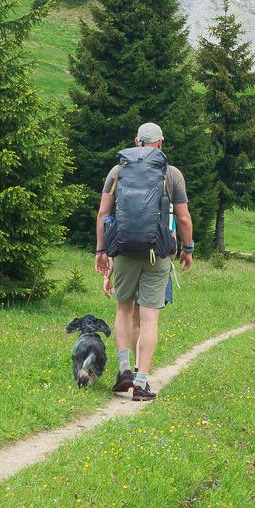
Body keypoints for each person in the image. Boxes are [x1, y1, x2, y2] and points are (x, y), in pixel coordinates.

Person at [92, 122, 193, 403]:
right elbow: (183, 218)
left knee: (124, 311)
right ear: (160, 144)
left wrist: (101, 251)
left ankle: (124, 370)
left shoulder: (117, 171)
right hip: (157, 252)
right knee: (149, 317)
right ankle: (141, 383)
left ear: (136, 142)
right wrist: (188, 248)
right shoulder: (171, 174)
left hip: (123, 251)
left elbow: (103, 213)